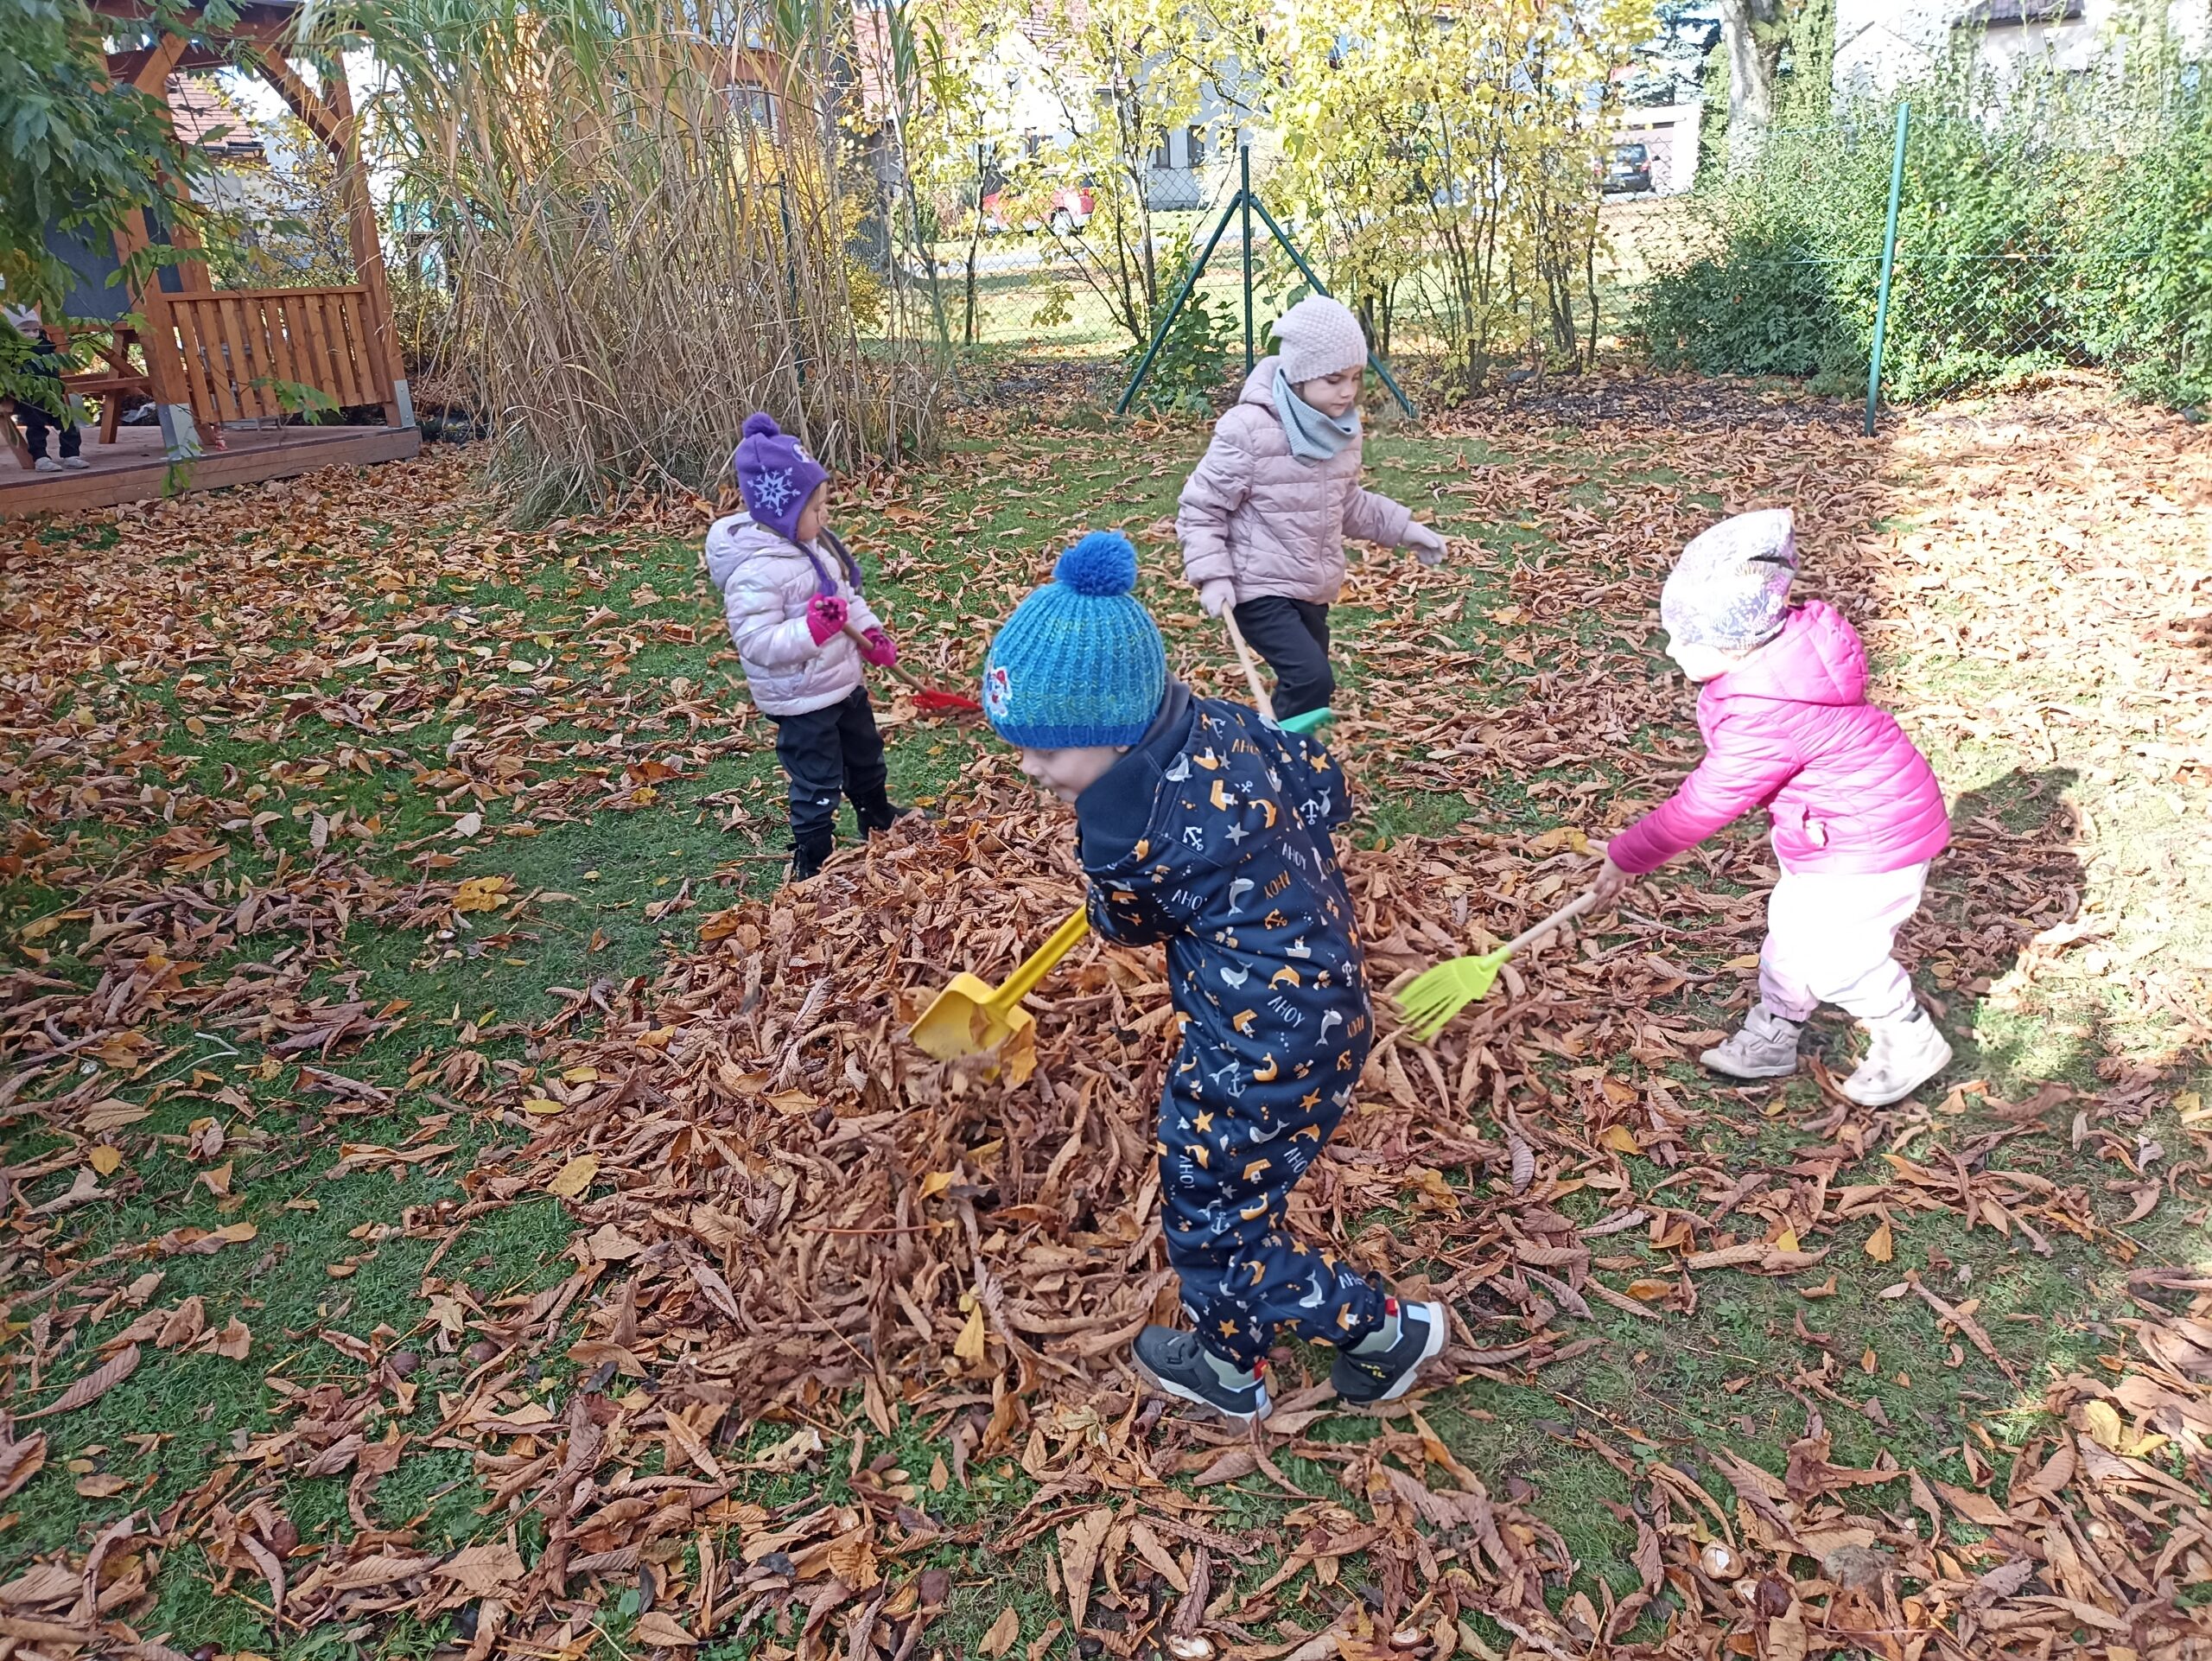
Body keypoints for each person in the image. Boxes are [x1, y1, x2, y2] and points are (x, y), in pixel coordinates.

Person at [982, 530, 1448, 1424]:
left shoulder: (1124, 824)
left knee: (1212, 1226)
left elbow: (1127, 923)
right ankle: (1229, 1361)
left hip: (1258, 1038)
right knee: (1217, 1187)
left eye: (1044, 752)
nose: (1032, 770)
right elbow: (1323, 790)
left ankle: (1381, 1328)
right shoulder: (1226, 725)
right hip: (1320, 1000)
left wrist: (1108, 896)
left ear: (1114, 734)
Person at [1588, 508, 1954, 1107]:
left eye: (1689, 639)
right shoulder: (1771, 664)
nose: (1673, 648)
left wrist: (1626, 856)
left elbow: (1705, 803)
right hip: (1832, 834)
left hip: (1870, 844)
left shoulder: (1769, 711)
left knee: (1838, 957)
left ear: (1735, 642)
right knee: (1792, 932)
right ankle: (1777, 1032)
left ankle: (1906, 1034)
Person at [1175, 295, 1445, 727]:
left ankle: (1281, 751)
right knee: (1310, 678)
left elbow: (1347, 502)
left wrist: (1405, 529)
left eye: (1356, 377)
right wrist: (1213, 575)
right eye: (1334, 379)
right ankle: (1276, 761)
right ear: (1298, 377)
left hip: (1310, 586)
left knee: (1310, 686)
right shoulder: (1248, 429)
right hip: (1256, 586)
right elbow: (1201, 508)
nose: (1348, 391)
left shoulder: (1338, 431)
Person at [703, 413, 906, 881]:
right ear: (784, 512)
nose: (825, 516)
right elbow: (757, 643)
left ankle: (876, 816)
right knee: (817, 778)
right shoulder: (754, 574)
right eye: (817, 509)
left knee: (865, 756)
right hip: (800, 699)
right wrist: (813, 630)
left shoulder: (815, 548)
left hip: (843, 682)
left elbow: (847, 601)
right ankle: (812, 855)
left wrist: (871, 633)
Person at [6, 306, 88, 474]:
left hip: (50, 392)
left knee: (67, 420)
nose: (31, 335)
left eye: (35, 330)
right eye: (25, 330)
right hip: (26, 395)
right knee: (35, 423)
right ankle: (40, 457)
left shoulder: (45, 344)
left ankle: (71, 454)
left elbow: (53, 367)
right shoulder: (10, 349)